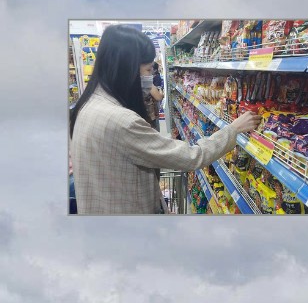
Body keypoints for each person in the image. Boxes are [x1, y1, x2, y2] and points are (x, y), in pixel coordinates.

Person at [69, 25, 260, 215]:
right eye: (147, 70)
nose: (150, 78)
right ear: (126, 69)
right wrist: (233, 129)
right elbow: (192, 156)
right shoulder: (121, 121)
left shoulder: (87, 105)